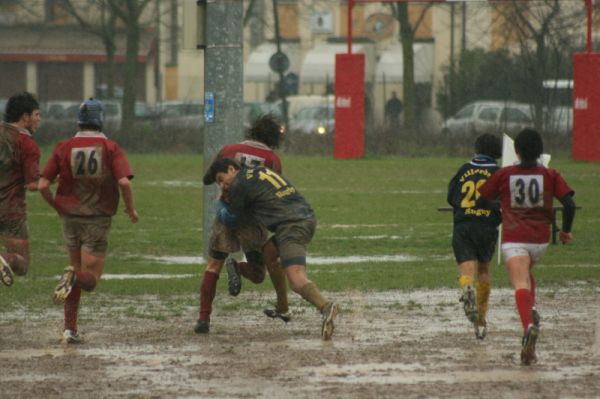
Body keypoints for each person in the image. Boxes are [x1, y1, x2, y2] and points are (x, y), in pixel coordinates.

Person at [203, 158, 339, 340]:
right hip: (303, 216)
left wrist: (220, 203)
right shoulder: (257, 170)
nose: (222, 185)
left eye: (221, 179)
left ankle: (326, 306)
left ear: (231, 168)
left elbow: (232, 220)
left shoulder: (239, 185)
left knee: (297, 279)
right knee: (269, 252)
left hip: (292, 226)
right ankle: (282, 307)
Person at [38, 98, 139, 344]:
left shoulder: (63, 146)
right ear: (100, 120)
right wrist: (130, 209)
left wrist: (58, 207)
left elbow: (42, 185)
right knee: (89, 279)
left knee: (74, 268)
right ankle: (71, 281)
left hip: (70, 219)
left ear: (79, 121)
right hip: (97, 219)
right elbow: (124, 182)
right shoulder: (110, 147)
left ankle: (69, 329)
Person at [478, 128, 576, 365]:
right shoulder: (550, 174)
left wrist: (500, 208)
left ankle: (528, 327)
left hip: (515, 238)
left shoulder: (504, 174)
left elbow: (482, 200)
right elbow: (569, 204)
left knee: (519, 281)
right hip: (540, 241)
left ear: (517, 151)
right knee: (527, 274)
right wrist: (565, 231)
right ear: (540, 151)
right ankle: (531, 313)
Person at [194, 114, 291, 335]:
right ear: (273, 138)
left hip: (226, 215)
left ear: (252, 130)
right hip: (252, 221)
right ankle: (237, 267)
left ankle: (203, 319)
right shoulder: (272, 160)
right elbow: (275, 195)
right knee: (258, 274)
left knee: (212, 266)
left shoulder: (228, 150)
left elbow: (207, 179)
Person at [447, 133, 502, 340]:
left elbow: (451, 196)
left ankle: (467, 287)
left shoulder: (464, 169)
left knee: (466, 268)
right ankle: (481, 315)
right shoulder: (497, 173)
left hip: (464, 225)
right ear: (496, 152)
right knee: (485, 269)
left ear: (477, 149)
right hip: (486, 226)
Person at [0, 92, 42, 287]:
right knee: (21, 263)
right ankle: (5, 259)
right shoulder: (27, 144)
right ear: (25, 117)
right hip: (10, 211)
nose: (39, 119)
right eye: (36, 114)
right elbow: (33, 184)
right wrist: (54, 178)